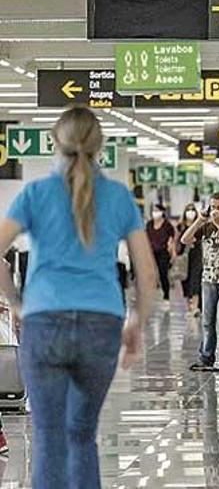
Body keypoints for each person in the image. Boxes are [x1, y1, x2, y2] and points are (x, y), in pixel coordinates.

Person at [0, 106, 156, 487]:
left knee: (50, 437)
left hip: (44, 321)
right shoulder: (119, 197)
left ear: (55, 142)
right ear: (101, 146)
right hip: (101, 323)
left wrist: (16, 302)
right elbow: (147, 272)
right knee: (82, 434)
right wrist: (137, 322)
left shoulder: (35, 193)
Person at [181, 192, 219, 371]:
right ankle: (206, 356)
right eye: (213, 207)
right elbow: (185, 239)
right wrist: (200, 220)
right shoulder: (205, 227)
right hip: (208, 279)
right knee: (207, 321)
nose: (216, 210)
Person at [146, 204, 176, 307]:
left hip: (163, 252)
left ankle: (166, 295)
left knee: (163, 273)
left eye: (157, 210)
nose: (155, 212)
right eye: (153, 210)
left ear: (162, 212)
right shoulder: (149, 225)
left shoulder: (167, 225)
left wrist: (173, 252)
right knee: (150, 274)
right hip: (151, 252)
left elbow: (172, 239)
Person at [177, 203, 203, 317]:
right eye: (188, 210)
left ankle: (195, 307)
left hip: (196, 256)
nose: (190, 212)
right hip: (184, 257)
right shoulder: (180, 226)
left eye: (192, 210)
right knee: (186, 281)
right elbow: (177, 241)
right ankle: (189, 307)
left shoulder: (199, 226)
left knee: (195, 281)